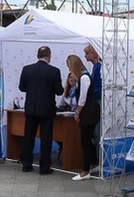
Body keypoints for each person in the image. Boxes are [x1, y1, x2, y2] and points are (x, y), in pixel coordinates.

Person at [18, 45, 64, 175]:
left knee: (28, 137)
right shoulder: (54, 71)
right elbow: (59, 91)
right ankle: (44, 167)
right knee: (46, 139)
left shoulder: (27, 69)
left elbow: (22, 87)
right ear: (49, 56)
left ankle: (26, 164)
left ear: (37, 55)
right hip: (46, 110)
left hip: (31, 108)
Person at [66, 54, 100, 181]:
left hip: (89, 112)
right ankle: (93, 163)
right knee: (87, 141)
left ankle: (85, 171)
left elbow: (83, 98)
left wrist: (77, 112)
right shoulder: (82, 77)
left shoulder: (84, 78)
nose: (69, 70)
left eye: (70, 67)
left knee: (85, 142)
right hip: (88, 112)